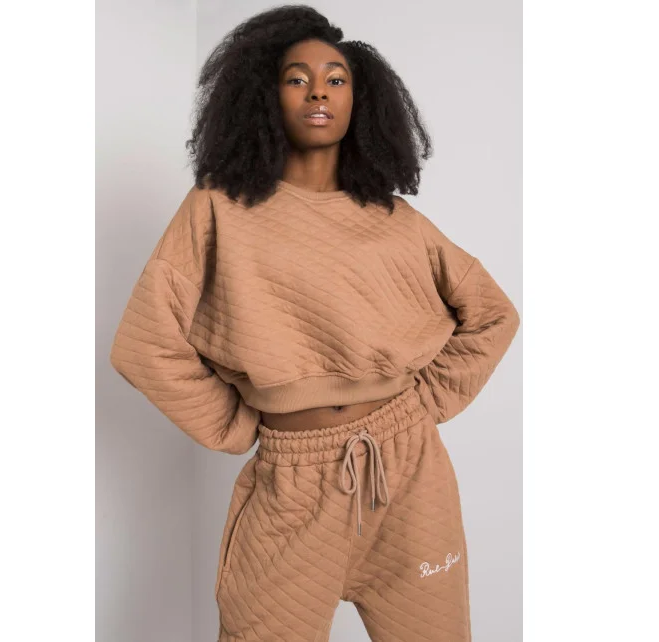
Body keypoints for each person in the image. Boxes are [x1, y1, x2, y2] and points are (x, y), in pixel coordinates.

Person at [109, 5, 520, 641]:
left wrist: (428, 402)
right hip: (292, 484)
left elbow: (491, 313)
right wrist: (234, 424)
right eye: (296, 78)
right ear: (263, 96)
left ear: (362, 100)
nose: (318, 91)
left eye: (336, 79)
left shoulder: (395, 220)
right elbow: (145, 343)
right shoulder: (218, 207)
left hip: (410, 477)